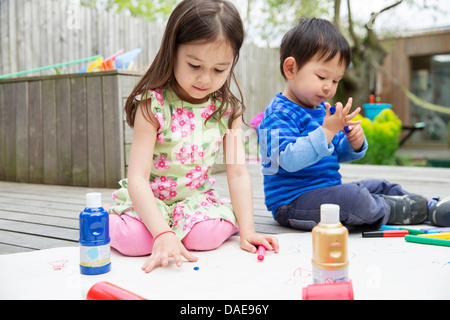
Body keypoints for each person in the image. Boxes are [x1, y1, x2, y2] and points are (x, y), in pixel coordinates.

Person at [107, 0, 279, 273]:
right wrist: (162, 233)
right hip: (151, 199)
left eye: (219, 69)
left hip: (194, 202)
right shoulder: (153, 103)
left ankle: (178, 231)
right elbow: (137, 178)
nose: (205, 79)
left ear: (232, 62)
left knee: (206, 237)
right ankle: (147, 225)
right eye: (194, 65)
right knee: (133, 240)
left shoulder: (228, 109)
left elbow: (237, 173)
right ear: (172, 52)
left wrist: (247, 232)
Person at [257, 17, 450, 231]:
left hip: (328, 192)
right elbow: (287, 160)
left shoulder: (322, 110)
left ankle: (427, 206)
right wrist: (328, 130)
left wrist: (353, 143)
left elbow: (337, 151)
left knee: (380, 185)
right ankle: (401, 209)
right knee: (355, 198)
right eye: (322, 76)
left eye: (335, 80)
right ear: (291, 68)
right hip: (293, 203)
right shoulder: (277, 114)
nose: (329, 87)